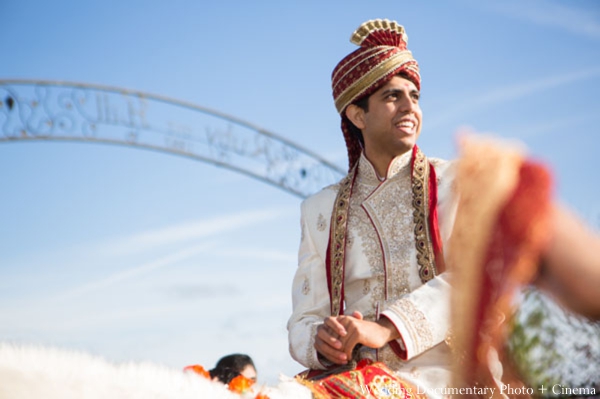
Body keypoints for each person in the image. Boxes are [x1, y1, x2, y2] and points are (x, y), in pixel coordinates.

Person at [287, 19, 457, 394]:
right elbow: (302, 319)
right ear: (357, 115)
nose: (409, 106)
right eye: (392, 96)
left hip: (443, 377)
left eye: (414, 95)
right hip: (346, 373)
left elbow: (474, 280)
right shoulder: (320, 209)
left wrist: (385, 327)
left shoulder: (456, 183)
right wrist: (321, 339)